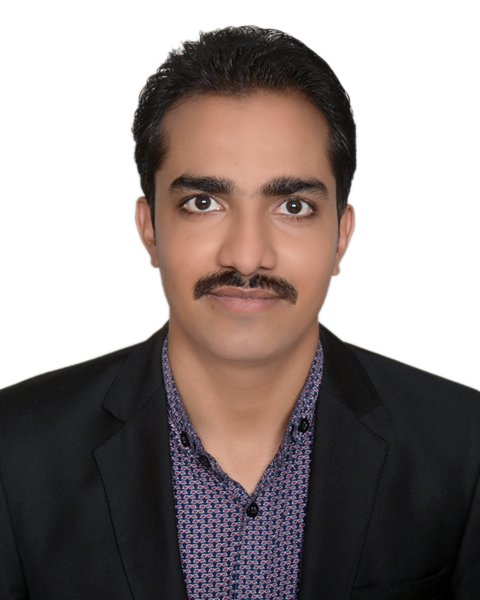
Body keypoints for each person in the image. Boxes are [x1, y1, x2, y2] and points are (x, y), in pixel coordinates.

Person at [0, 25, 479, 600]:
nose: (247, 257)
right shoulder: (15, 453)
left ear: (341, 236)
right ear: (150, 229)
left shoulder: (463, 449)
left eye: (293, 206)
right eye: (203, 202)